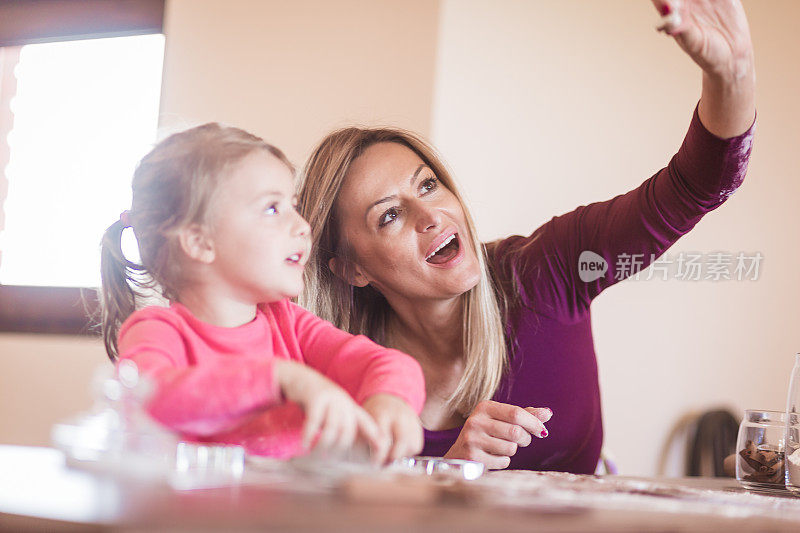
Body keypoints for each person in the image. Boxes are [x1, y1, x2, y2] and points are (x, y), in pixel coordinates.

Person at [296, 0, 756, 472]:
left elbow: (694, 185)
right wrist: (448, 472)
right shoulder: (332, 368)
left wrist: (732, 73)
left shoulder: (547, 267)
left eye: (428, 185)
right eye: (389, 215)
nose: (428, 215)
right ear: (352, 268)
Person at [99, 123, 425, 462]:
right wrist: (279, 379)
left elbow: (386, 364)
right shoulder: (157, 330)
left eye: (294, 206)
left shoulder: (290, 325)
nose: (302, 225)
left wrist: (391, 399)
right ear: (200, 242)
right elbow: (148, 399)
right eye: (272, 208)